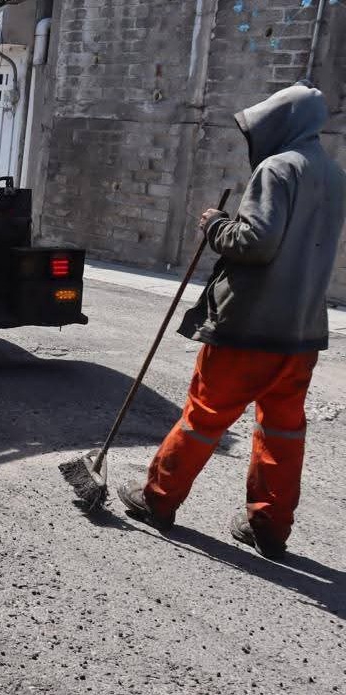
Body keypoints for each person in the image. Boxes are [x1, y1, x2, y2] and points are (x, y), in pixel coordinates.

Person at [117, 83, 345, 559]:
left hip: (249, 329)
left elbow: (256, 244)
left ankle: (157, 499)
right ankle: (269, 525)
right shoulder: (333, 175)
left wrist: (216, 224)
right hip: (301, 333)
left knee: (204, 418)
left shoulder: (277, 168)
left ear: (282, 124)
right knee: (282, 431)